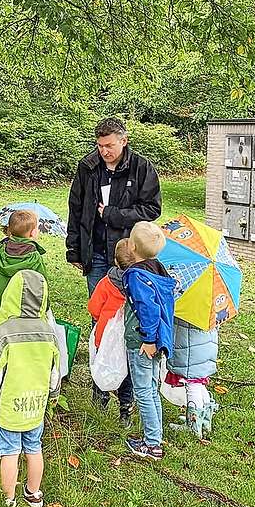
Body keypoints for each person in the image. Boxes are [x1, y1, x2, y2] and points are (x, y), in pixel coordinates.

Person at [66, 117, 161, 410]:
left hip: (128, 255)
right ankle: (100, 387)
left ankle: (126, 393)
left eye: (109, 145)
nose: (104, 151)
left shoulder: (142, 168)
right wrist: (74, 249)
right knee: (101, 321)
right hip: (94, 253)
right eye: (100, 145)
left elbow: (152, 209)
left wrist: (113, 215)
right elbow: (76, 207)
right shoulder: (88, 167)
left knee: (128, 326)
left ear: (124, 140)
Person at [0, 270, 62, 507]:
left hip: (8, 408)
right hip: (36, 406)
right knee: (34, 448)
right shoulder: (49, 333)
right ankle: (34, 494)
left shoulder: (3, 333)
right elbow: (55, 371)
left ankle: (8, 499)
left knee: (10, 452)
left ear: (10, 296)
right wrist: (53, 396)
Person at [122, 221, 177, 461]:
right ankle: (154, 436)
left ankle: (152, 444)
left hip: (143, 342)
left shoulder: (137, 276)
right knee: (151, 389)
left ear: (131, 246)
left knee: (143, 390)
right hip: (158, 339)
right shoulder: (159, 270)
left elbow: (148, 310)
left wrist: (148, 339)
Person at [87, 238, 137, 427]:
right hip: (130, 340)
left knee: (102, 367)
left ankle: (99, 403)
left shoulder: (106, 283)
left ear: (115, 261)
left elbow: (93, 308)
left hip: (105, 338)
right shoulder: (139, 284)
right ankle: (125, 411)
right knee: (128, 376)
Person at [0, 209, 47, 328]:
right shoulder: (35, 258)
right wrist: (45, 306)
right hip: (24, 310)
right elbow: (43, 284)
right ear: (33, 233)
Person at [163, 320, 220, 439]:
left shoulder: (190, 308)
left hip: (191, 348)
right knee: (200, 383)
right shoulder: (211, 307)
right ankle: (205, 420)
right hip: (207, 347)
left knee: (192, 385)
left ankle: (193, 426)